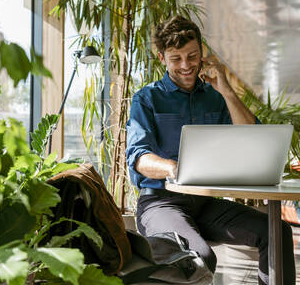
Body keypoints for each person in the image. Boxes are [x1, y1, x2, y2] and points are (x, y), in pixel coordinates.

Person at [125, 15, 295, 284]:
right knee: (200, 256)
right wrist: (174, 167)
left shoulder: (215, 96)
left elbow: (252, 138)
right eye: (176, 58)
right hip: (160, 202)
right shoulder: (146, 99)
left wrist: (226, 90)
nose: (185, 66)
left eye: (192, 56)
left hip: (204, 203)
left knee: (277, 232)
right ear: (162, 58)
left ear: (203, 54)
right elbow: (139, 158)